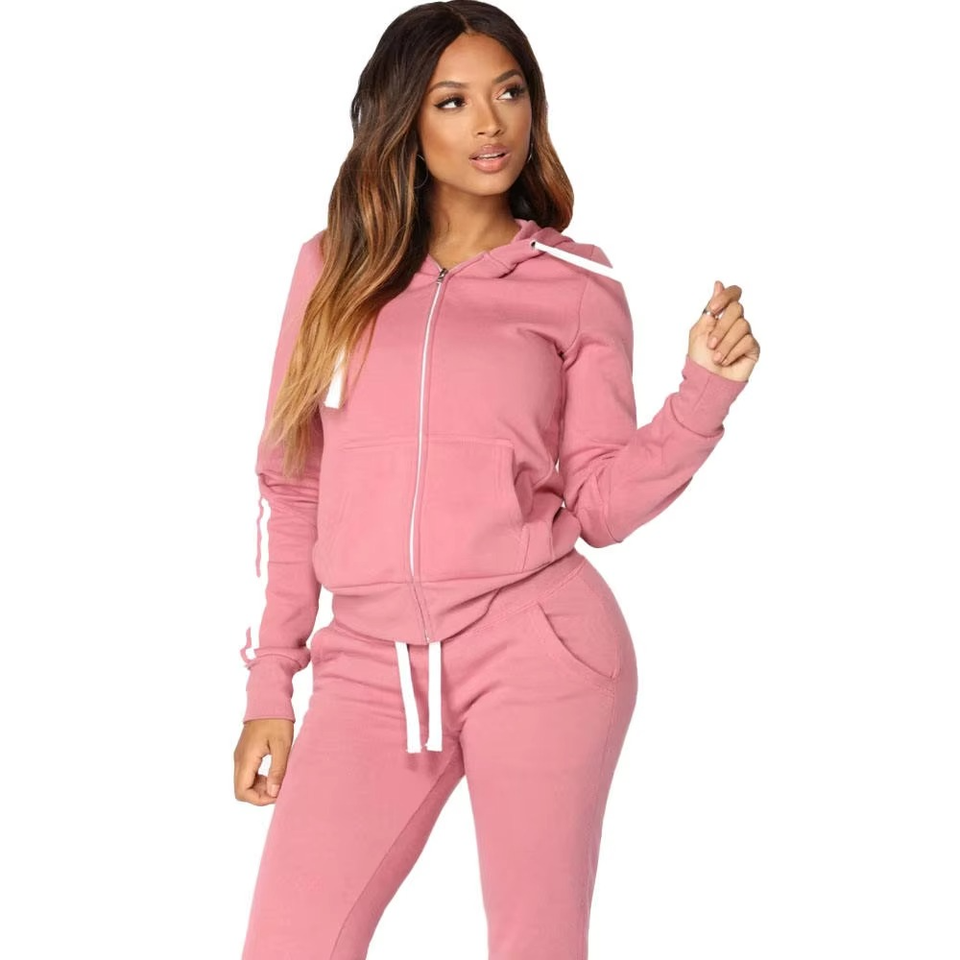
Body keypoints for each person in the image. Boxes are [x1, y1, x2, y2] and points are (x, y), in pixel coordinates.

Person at [233, 1, 760, 957]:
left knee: (534, 944)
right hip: (368, 666)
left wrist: (702, 396)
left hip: (538, 649)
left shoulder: (575, 282)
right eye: (453, 101)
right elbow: (292, 484)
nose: (490, 124)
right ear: (404, 119)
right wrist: (272, 683)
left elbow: (599, 502)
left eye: (509, 93)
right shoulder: (332, 270)